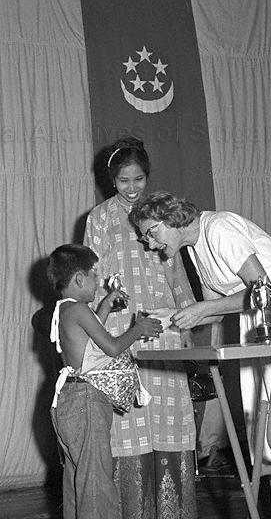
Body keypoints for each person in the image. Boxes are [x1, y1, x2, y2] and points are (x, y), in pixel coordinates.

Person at [130, 191, 271, 519]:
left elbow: (263, 289)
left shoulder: (219, 228)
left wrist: (203, 308)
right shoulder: (195, 249)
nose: (150, 244)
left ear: (171, 218)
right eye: (144, 237)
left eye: (151, 232)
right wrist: (170, 315)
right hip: (262, 325)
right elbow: (215, 310)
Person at [84, 137, 198, 519]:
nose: (131, 188)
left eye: (138, 180)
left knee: (169, 418)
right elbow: (92, 278)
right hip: (121, 329)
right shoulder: (99, 218)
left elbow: (176, 267)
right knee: (127, 419)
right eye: (122, 182)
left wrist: (185, 319)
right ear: (110, 181)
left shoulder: (160, 212)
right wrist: (98, 321)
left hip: (163, 325)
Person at [46, 243, 163, 519]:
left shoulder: (65, 309)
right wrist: (138, 330)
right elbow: (110, 347)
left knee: (79, 480)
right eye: (94, 278)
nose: (98, 285)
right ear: (79, 279)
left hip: (68, 402)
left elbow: (88, 343)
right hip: (86, 401)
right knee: (97, 484)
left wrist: (105, 306)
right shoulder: (79, 310)